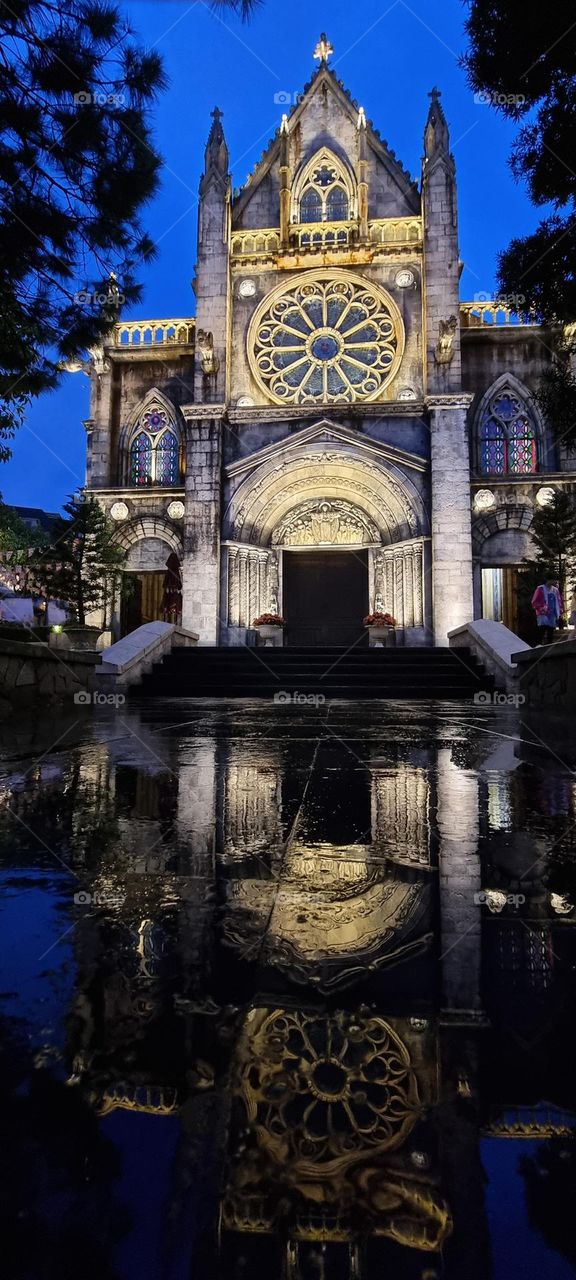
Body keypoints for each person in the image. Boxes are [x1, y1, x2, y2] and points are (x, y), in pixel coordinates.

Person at [531, 577, 563, 644]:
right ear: (549, 580)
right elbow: (535, 601)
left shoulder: (555, 590)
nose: (555, 582)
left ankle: (549, 645)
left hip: (552, 614)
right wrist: (541, 608)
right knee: (541, 631)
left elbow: (559, 601)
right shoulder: (540, 589)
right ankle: (538, 646)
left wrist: (559, 611)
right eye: (554, 580)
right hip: (543, 614)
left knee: (550, 632)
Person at [161, 553, 182, 623]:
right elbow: (179, 583)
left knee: (170, 603)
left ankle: (170, 619)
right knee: (173, 604)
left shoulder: (172, 571)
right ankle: (171, 620)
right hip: (173, 591)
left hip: (171, 592)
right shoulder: (175, 571)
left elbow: (165, 582)